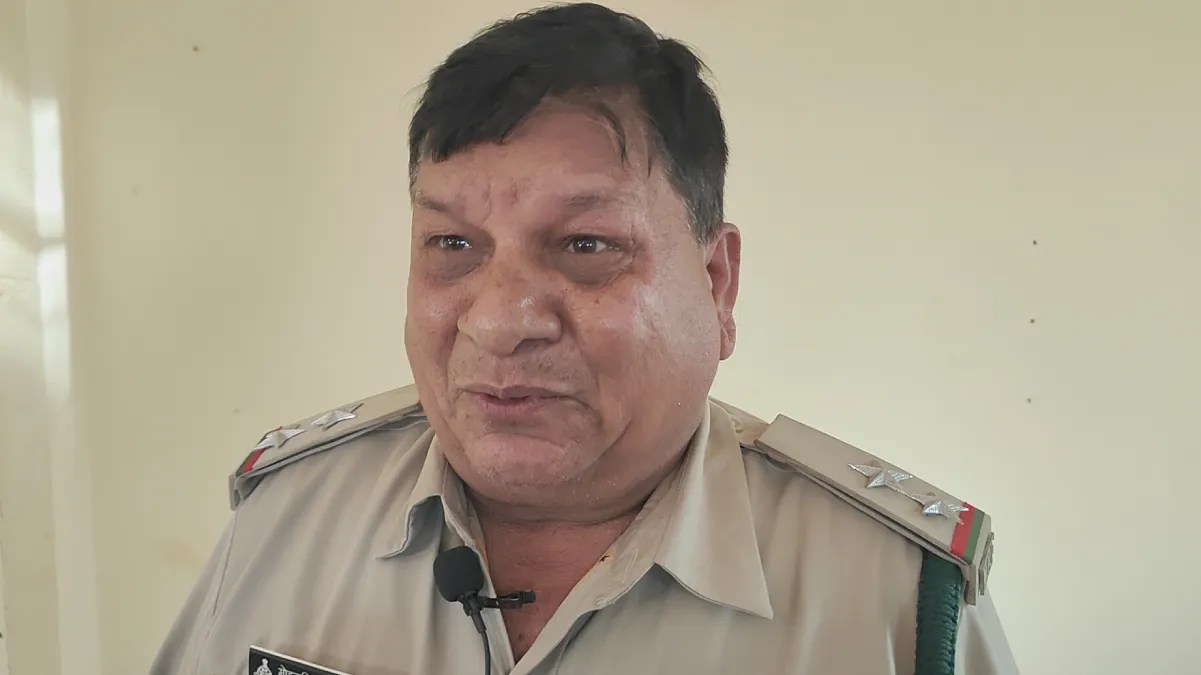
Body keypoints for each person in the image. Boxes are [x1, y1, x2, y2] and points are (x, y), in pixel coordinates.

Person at [150, 3, 1020, 674]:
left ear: (716, 283)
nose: (498, 322)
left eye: (586, 246)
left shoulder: (890, 599)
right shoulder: (284, 521)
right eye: (452, 244)